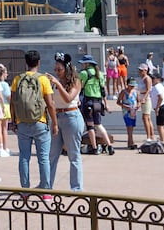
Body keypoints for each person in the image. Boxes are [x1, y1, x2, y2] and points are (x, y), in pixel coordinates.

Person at [9, 49, 57, 190]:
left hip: (22, 123)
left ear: (26, 63)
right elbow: (50, 104)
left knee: (24, 157)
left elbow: (13, 102)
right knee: (43, 158)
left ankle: (25, 190)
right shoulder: (43, 79)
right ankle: (46, 190)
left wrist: (13, 121)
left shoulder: (18, 79)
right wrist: (54, 123)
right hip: (40, 122)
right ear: (39, 63)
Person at [47, 53, 85, 191]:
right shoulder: (56, 83)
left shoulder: (75, 81)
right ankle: (47, 186)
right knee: (52, 155)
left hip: (71, 117)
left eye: (59, 69)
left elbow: (69, 98)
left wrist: (57, 83)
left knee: (73, 155)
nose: (56, 72)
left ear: (66, 69)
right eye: (55, 69)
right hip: (57, 117)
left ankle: (76, 187)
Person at [77, 55, 115, 155]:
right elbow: (103, 91)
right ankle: (110, 146)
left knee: (90, 126)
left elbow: (79, 87)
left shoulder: (83, 73)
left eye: (83, 63)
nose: (82, 65)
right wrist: (106, 104)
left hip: (88, 102)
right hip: (98, 102)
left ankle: (94, 148)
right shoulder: (101, 74)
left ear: (87, 64)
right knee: (99, 125)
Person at [148, 69, 164, 146]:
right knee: (163, 125)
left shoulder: (157, 86)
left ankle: (163, 142)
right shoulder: (157, 86)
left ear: (158, 79)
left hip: (162, 107)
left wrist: (157, 108)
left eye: (153, 79)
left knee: (160, 126)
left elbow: (160, 97)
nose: (152, 80)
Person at [117, 76, 139, 150]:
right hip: (126, 112)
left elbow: (138, 101)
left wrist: (138, 106)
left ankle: (130, 142)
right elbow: (118, 102)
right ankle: (131, 142)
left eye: (133, 86)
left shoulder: (135, 92)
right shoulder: (123, 92)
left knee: (132, 127)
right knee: (129, 127)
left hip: (133, 111)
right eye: (131, 85)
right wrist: (124, 106)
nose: (132, 87)